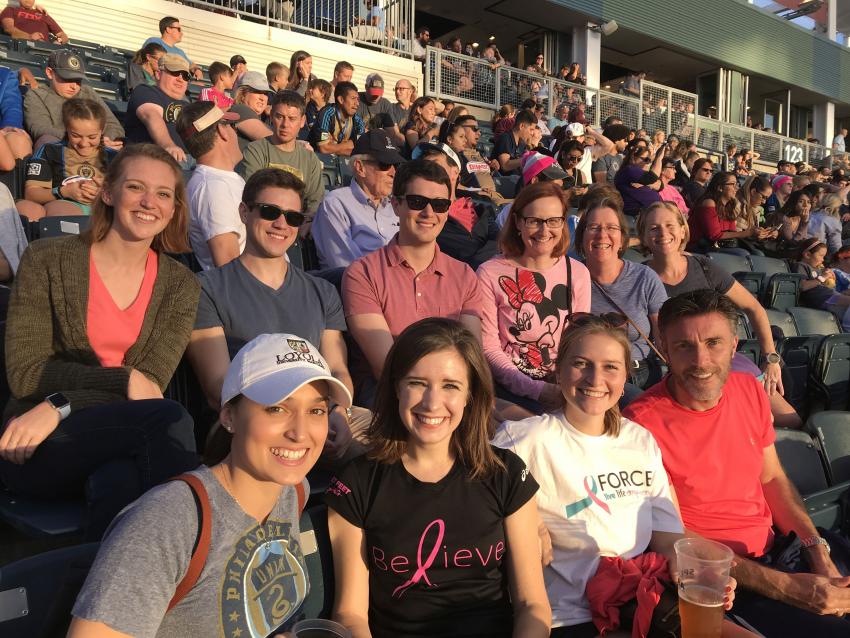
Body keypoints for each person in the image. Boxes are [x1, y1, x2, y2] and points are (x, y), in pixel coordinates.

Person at [69, 332, 352, 638]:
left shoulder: (292, 491)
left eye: (316, 411)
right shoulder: (166, 522)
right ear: (229, 416)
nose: (300, 433)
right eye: (277, 408)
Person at [493, 315, 746, 638]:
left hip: (638, 601)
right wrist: (530, 521)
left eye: (611, 367)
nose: (595, 379)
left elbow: (667, 538)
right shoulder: (524, 440)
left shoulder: (639, 440)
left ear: (626, 374)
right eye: (581, 364)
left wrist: (698, 573)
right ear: (559, 370)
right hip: (569, 616)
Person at [0, 144, 200, 540]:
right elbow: (26, 374)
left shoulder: (181, 286)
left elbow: (147, 387)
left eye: (163, 194)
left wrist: (62, 404)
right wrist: (120, 382)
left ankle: (101, 592)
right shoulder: (47, 259)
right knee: (170, 420)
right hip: (34, 437)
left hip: (105, 431)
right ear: (108, 192)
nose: (149, 203)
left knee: (120, 482)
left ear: (175, 208)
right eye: (136, 187)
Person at [624, 289, 850, 637]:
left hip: (782, 549)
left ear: (734, 346)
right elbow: (671, 536)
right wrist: (788, 588)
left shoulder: (748, 390)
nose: (701, 360)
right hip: (723, 582)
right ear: (665, 350)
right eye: (684, 346)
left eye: (713, 342)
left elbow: (772, 478)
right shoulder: (640, 426)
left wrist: (815, 549)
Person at [326, 317, 550, 638]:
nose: (432, 403)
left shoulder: (507, 474)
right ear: (395, 387)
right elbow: (350, 614)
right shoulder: (357, 483)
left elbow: (532, 605)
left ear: (471, 394)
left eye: (450, 386)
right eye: (417, 383)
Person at [188, 167, 367, 459]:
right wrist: (303, 413)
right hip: (246, 420)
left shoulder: (322, 291)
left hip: (321, 411)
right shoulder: (207, 288)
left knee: (398, 444)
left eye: (293, 217)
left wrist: (339, 412)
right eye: (270, 212)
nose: (281, 224)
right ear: (244, 212)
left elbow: (337, 369)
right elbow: (218, 386)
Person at [638, 201, 801, 429]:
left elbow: (754, 309)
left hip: (726, 362)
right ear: (643, 236)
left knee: (790, 420)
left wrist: (771, 358)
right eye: (653, 228)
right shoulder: (639, 277)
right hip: (683, 369)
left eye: (669, 225)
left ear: (683, 230)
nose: (663, 233)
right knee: (744, 423)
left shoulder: (703, 266)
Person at [342, 160, 484, 402]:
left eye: (440, 205)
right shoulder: (362, 273)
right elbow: (386, 368)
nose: (429, 213)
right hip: (388, 399)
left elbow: (472, 359)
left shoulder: (465, 276)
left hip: (452, 396)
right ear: (396, 205)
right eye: (417, 202)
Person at [477, 181, 591, 414]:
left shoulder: (578, 272)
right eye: (534, 221)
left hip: (563, 384)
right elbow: (488, 349)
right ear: (518, 222)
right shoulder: (490, 272)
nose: (544, 230)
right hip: (509, 389)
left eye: (553, 221)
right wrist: (538, 391)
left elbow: (580, 340)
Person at [576, 198, 667, 391]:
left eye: (611, 228)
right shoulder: (570, 278)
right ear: (582, 237)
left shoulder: (644, 277)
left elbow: (663, 336)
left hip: (639, 372)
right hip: (589, 376)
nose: (602, 235)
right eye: (593, 227)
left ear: (622, 239)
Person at [312, 129, 404, 269]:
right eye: (385, 164)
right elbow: (348, 268)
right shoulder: (336, 204)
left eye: (396, 165)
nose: (393, 172)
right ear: (360, 167)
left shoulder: (396, 207)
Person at [19, 98, 119, 220]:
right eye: (76, 136)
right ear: (67, 128)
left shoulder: (116, 158)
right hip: (65, 205)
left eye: (92, 137)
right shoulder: (50, 151)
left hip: (105, 209)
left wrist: (106, 193)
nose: (84, 143)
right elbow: (31, 194)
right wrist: (64, 192)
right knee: (66, 216)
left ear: (102, 130)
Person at [240, 91, 324, 229]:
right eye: (280, 117)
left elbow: (315, 202)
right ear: (272, 116)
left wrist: (305, 224)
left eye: (292, 119)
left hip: (296, 226)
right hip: (262, 221)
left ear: (302, 121)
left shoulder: (310, 159)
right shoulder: (255, 150)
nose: (285, 124)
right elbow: (250, 194)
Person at [178, 101, 245, 271]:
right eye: (231, 125)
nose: (235, 131)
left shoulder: (218, 181)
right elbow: (230, 270)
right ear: (222, 130)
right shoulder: (213, 188)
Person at [416, 141, 500, 269]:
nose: (428, 171)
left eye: (435, 165)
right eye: (423, 167)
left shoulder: (480, 209)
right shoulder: (421, 214)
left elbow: (500, 241)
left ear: (454, 172)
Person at [24, 50, 124, 150]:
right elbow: (41, 129)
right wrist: (85, 140)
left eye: (78, 80)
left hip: (96, 149)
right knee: (46, 141)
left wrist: (106, 139)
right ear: (50, 73)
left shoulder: (88, 93)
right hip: (62, 149)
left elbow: (113, 125)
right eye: (67, 79)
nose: (74, 86)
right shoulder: (37, 95)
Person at [123, 53, 190, 164]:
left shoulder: (188, 105)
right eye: (175, 72)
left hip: (189, 161)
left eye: (185, 76)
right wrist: (168, 146)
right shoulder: (146, 91)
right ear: (158, 74)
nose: (180, 79)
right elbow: (151, 115)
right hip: (152, 158)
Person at [687, 171, 753, 255]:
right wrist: (744, 233)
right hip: (698, 247)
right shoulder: (709, 203)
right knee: (742, 254)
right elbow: (714, 235)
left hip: (717, 246)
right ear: (720, 187)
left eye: (736, 184)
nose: (736, 188)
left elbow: (731, 231)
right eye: (732, 184)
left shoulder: (729, 205)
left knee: (755, 252)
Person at [791, 237, 850, 313]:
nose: (823, 260)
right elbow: (802, 286)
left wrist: (829, 277)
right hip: (822, 298)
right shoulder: (801, 266)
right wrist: (823, 277)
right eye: (821, 256)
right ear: (807, 255)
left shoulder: (818, 269)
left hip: (831, 296)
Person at [311, 81, 365, 156]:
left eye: (357, 99)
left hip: (344, 161)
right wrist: (350, 143)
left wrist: (333, 148)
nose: (357, 103)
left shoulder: (358, 121)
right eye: (353, 98)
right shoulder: (327, 114)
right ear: (341, 100)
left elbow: (361, 150)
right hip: (318, 158)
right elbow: (323, 149)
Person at [613, 143, 662, 217]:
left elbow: (661, 185)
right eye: (645, 159)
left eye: (648, 160)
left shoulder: (641, 172)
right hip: (636, 214)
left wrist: (647, 184)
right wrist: (659, 157)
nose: (647, 162)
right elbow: (652, 178)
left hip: (651, 212)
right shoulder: (629, 170)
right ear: (633, 157)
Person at [228, 71, 273, 152]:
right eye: (257, 92)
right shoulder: (240, 109)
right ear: (242, 95)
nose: (262, 98)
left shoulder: (261, 118)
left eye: (265, 93)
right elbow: (271, 141)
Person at [493, 109, 536, 177]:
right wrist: (527, 158)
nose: (532, 133)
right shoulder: (505, 138)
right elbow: (505, 166)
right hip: (502, 183)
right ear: (521, 126)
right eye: (531, 129)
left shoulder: (521, 144)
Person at [1, 0, 68, 43]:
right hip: (22, 46)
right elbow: (9, 29)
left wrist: (59, 41)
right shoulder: (10, 10)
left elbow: (62, 35)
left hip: (44, 49)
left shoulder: (43, 14)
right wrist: (29, 37)